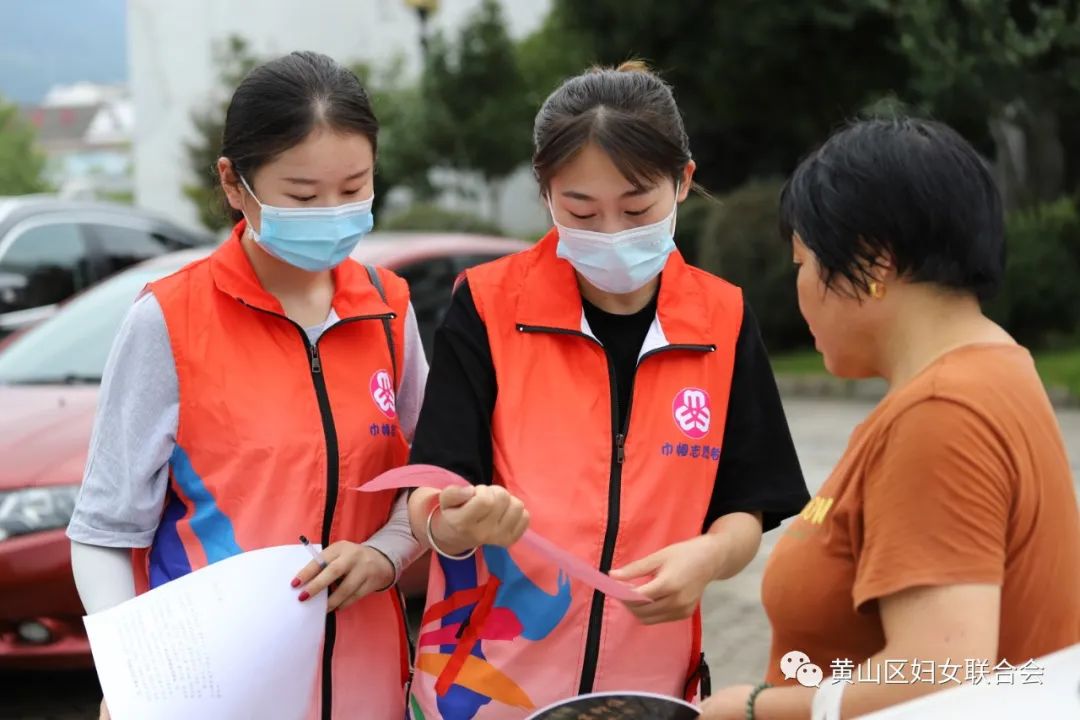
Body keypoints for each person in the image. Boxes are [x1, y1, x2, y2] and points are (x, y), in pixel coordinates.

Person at [402, 61, 811, 720]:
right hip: (483, 696)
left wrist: (707, 558)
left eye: (637, 206)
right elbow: (432, 490)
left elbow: (750, 505)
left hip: (647, 695)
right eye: (581, 211)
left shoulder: (723, 319)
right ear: (545, 192)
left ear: (683, 181)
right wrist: (458, 522)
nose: (612, 233)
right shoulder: (485, 305)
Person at [66, 51, 427, 720]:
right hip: (218, 694)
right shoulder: (169, 321)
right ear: (235, 183)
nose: (332, 213)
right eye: (302, 195)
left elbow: (434, 480)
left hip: (368, 690)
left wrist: (386, 553)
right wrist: (135, 677)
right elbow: (104, 528)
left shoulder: (389, 310)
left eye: (353, 189)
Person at [700, 117, 1080, 720]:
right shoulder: (997, 368)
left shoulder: (942, 414)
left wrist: (751, 708)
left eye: (802, 262)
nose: (798, 286)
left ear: (872, 263)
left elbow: (942, 670)